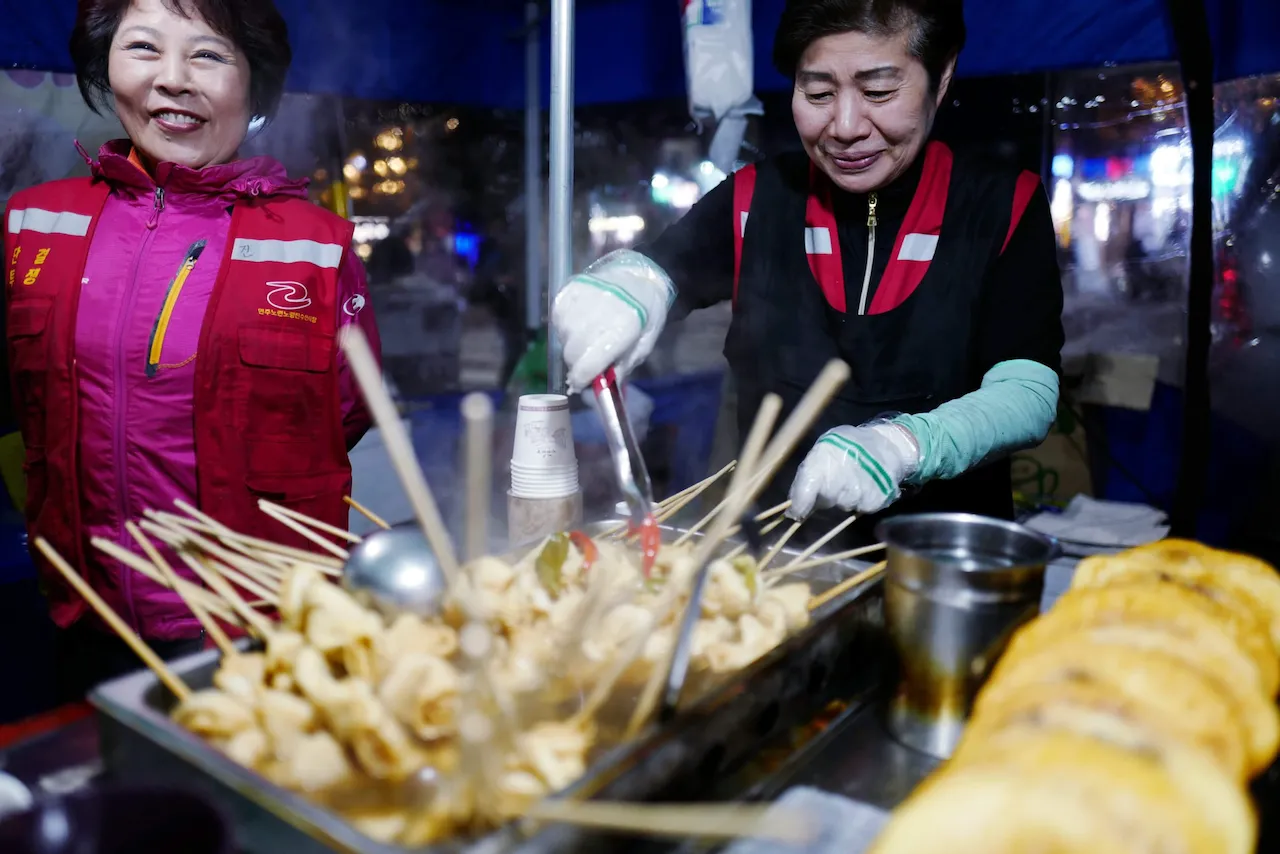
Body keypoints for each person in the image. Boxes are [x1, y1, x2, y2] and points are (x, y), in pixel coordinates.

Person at [553, 0, 1063, 545]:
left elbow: (1027, 392)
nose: (844, 127)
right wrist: (633, 283)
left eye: (879, 92)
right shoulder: (758, 198)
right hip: (773, 564)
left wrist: (906, 445)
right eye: (817, 93)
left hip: (940, 569)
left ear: (941, 78)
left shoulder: (1002, 204)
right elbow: (666, 266)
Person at [2, 0, 381, 696]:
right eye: (143, 48)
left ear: (253, 81)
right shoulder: (34, 221)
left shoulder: (315, 246)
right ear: (104, 66)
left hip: (257, 622)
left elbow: (347, 412)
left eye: (207, 54)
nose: (173, 79)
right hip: (87, 615)